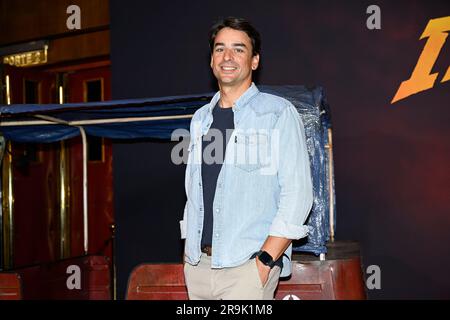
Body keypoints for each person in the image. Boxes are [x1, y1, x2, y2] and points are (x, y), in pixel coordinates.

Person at [180, 16, 313, 300]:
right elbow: (194, 195)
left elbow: (298, 195)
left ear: (254, 61)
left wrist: (264, 262)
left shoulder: (277, 113)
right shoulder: (200, 119)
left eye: (238, 49)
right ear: (211, 60)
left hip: (247, 269)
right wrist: (188, 254)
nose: (227, 57)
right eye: (219, 48)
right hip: (198, 269)